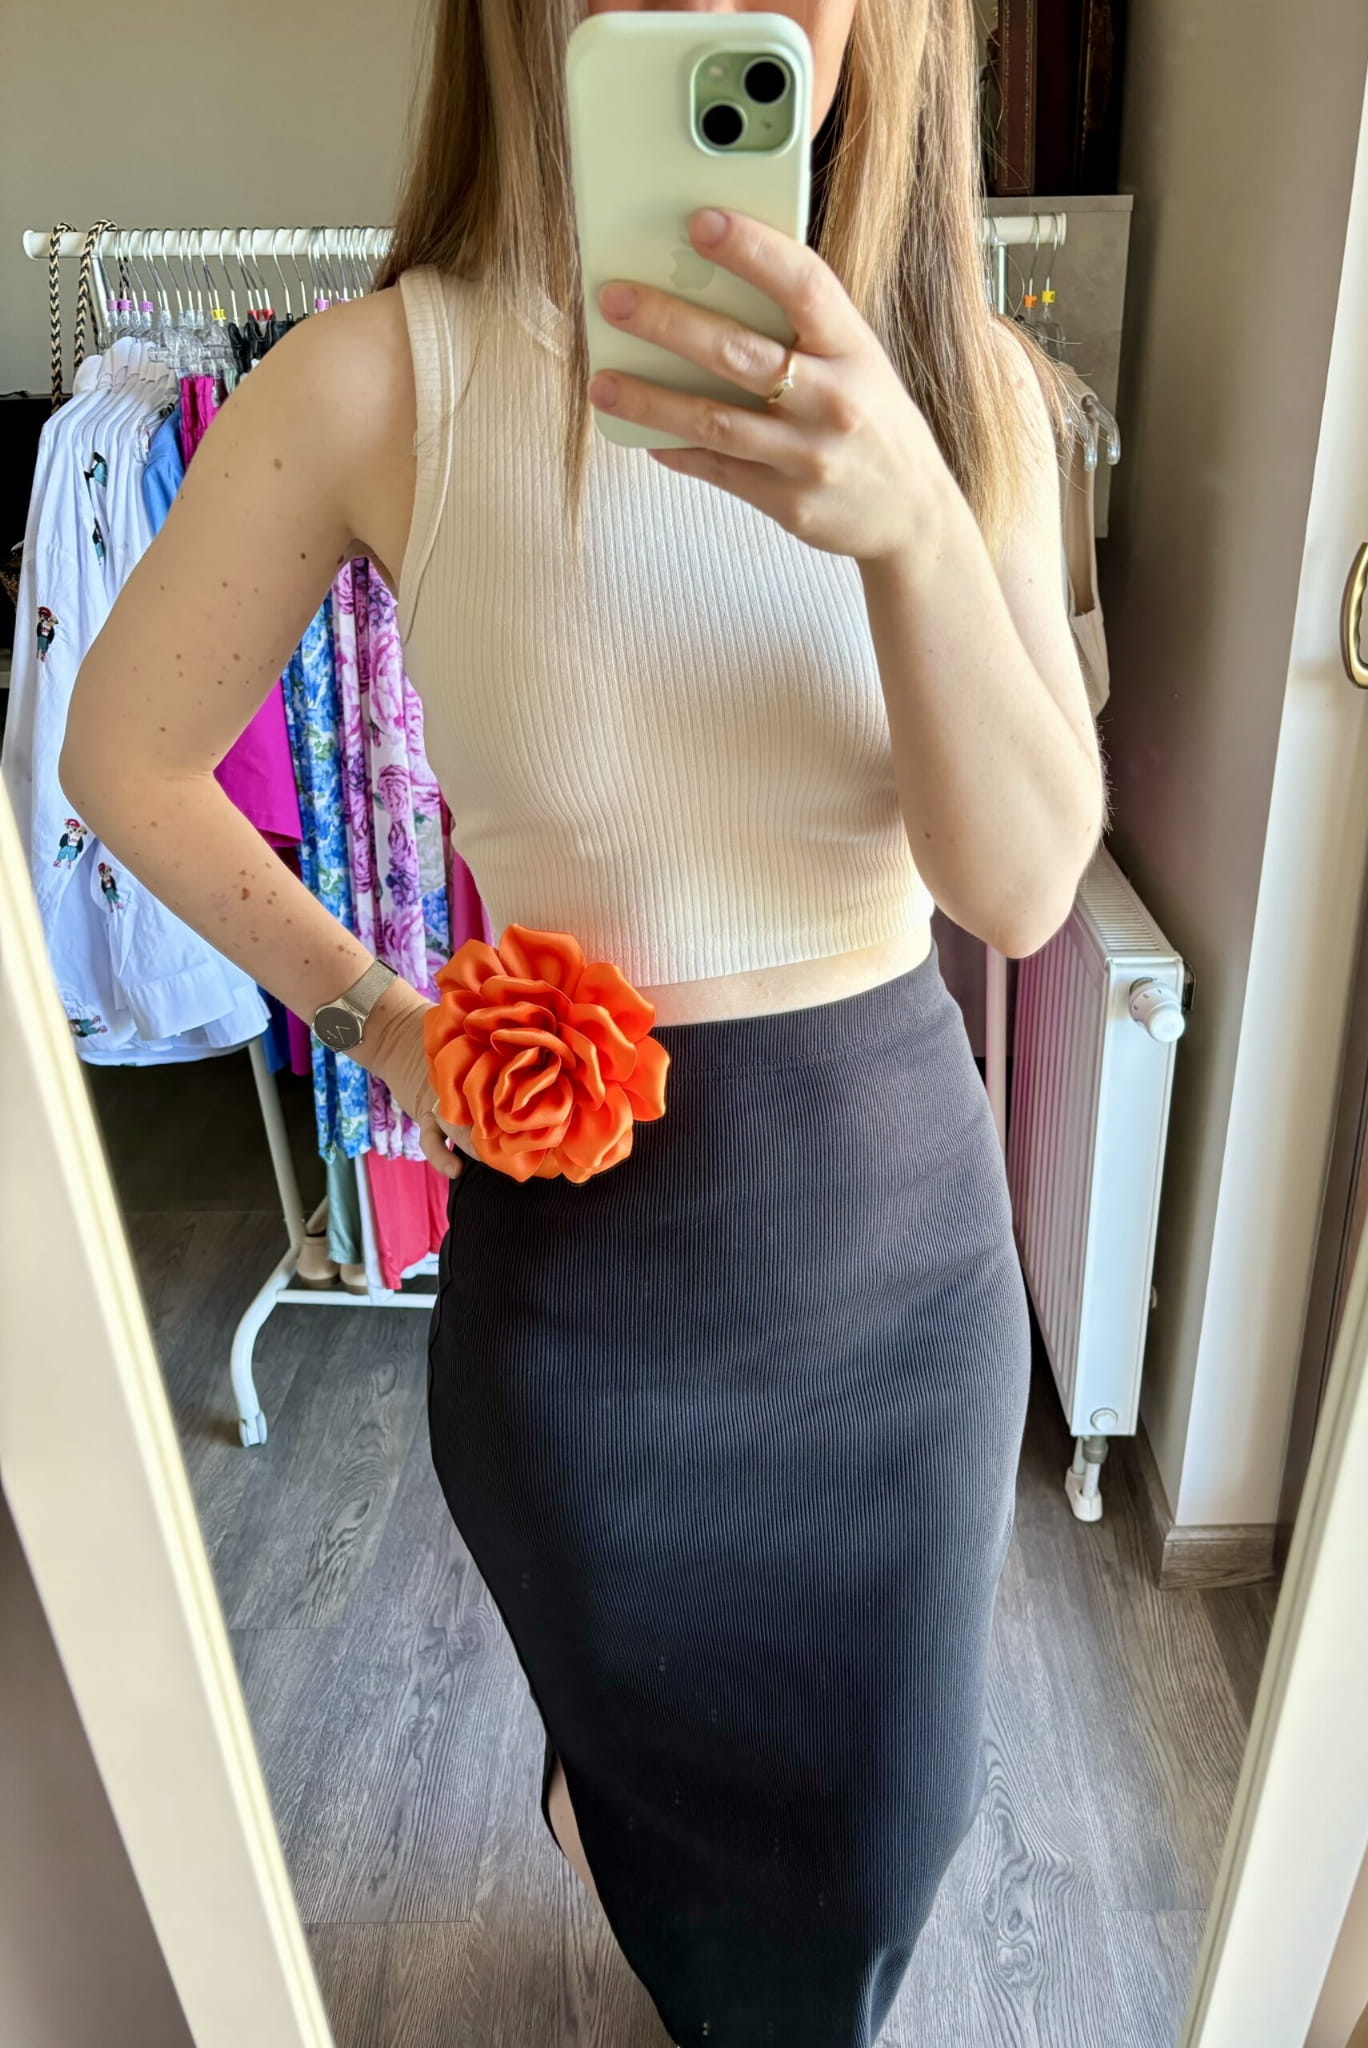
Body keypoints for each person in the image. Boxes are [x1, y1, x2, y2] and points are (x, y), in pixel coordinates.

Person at [60, 2, 1105, 2041]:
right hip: (592, 1306)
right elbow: (127, 755)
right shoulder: (379, 379)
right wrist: (384, 1017)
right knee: (674, 1829)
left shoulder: (974, 385)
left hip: (899, 1277)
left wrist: (909, 513)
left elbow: (1021, 887)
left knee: (886, 1831)